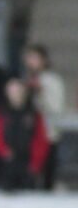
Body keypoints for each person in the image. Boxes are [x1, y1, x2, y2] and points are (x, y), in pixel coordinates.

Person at [0, 78, 49, 190]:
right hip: (7, 163)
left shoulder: (34, 114)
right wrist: (4, 152)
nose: (15, 95)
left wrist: (35, 164)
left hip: (28, 163)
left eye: (18, 91)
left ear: (24, 92)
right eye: (12, 91)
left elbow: (40, 140)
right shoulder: (1, 113)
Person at [23, 44, 66, 189]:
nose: (31, 62)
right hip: (29, 135)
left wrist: (41, 92)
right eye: (29, 58)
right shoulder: (27, 80)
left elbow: (56, 108)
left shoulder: (53, 81)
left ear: (44, 60)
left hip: (48, 134)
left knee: (48, 174)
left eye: (35, 58)